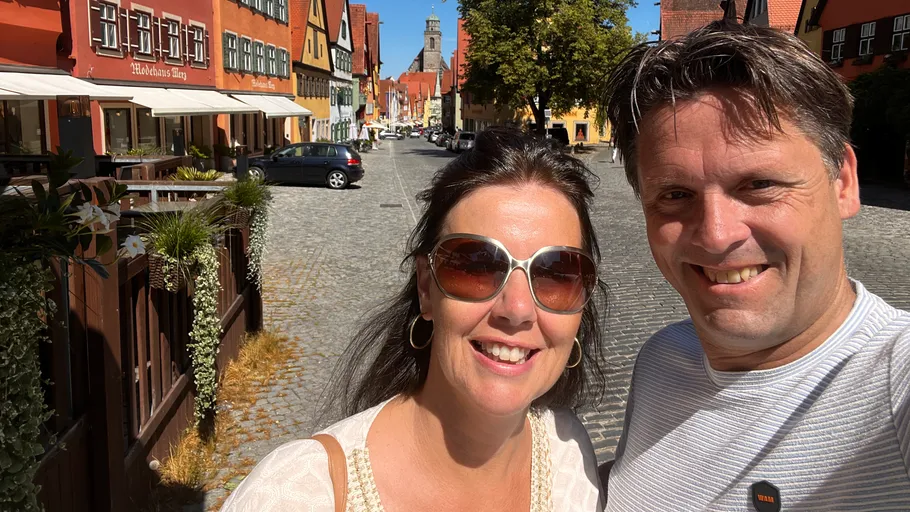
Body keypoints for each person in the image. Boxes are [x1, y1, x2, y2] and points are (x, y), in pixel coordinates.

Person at [599, 21, 910, 510]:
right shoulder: (663, 359)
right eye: (675, 195)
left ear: (844, 183)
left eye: (760, 184)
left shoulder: (894, 380)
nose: (716, 234)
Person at [220, 127, 608, 511]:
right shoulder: (293, 494)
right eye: (475, 265)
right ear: (426, 286)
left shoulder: (571, 457)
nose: (517, 309)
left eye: (558, 274)